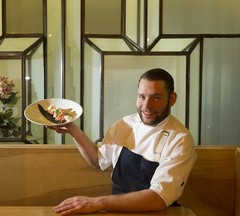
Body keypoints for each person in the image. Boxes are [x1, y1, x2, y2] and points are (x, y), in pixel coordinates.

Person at [47, 68, 196, 215]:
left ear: (172, 99)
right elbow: (98, 160)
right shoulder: (125, 124)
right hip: (118, 211)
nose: (147, 106)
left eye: (156, 98)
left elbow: (158, 198)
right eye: (142, 97)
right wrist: (72, 128)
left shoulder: (180, 140)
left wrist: (96, 203)